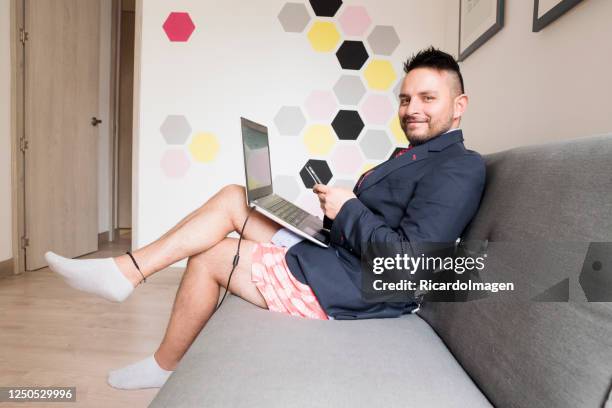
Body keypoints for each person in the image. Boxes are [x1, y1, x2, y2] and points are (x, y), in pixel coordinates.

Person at [44, 46, 485, 390]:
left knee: (213, 256)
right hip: (342, 252)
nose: (412, 109)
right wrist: (331, 214)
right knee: (236, 197)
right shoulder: (418, 155)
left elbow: (411, 264)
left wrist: (348, 208)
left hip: (362, 286)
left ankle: (164, 361)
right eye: (406, 99)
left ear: (459, 104)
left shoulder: (460, 166)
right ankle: (127, 272)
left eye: (428, 98)